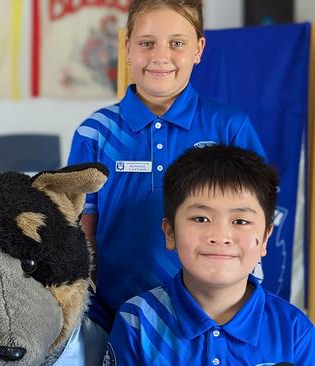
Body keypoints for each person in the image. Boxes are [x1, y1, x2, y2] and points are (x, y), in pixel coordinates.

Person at [67, 0, 266, 356]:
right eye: (146, 43)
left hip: (210, 316)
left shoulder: (229, 126)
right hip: (116, 314)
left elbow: (252, 220)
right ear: (127, 47)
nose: (160, 56)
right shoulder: (96, 132)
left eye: (177, 43)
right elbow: (84, 229)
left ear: (199, 49)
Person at [103, 144, 314, 365]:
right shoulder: (138, 320)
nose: (220, 236)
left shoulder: (294, 331)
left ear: (265, 238)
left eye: (240, 221)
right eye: (201, 219)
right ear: (170, 232)